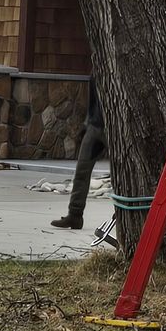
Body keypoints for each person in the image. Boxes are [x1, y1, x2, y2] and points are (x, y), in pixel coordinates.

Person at [51, 79, 105, 228]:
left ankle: (125, 217)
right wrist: (87, 123)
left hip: (115, 126)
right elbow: (92, 100)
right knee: (82, 170)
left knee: (123, 174)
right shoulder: (96, 71)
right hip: (95, 126)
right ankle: (75, 215)